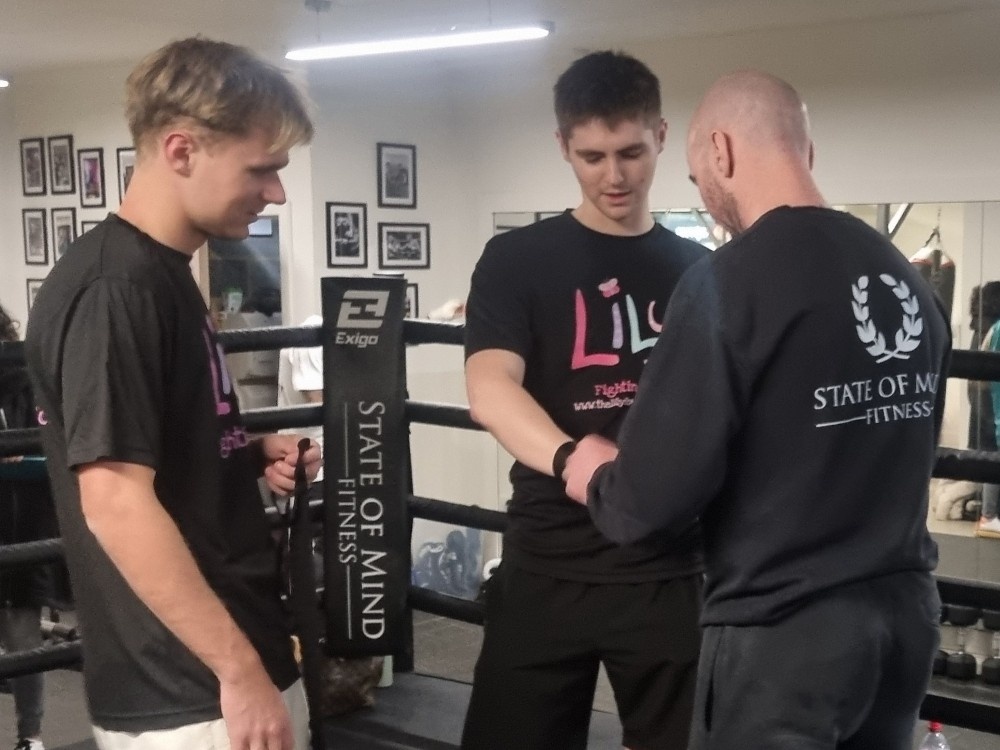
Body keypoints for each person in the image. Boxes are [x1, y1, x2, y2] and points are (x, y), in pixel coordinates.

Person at [563, 70, 951, 750]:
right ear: (808, 152)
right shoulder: (903, 277)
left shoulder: (726, 282)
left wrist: (593, 472)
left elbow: (647, 503)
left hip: (786, 634)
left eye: (695, 179)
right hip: (903, 622)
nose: (708, 201)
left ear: (721, 151)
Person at [24, 38, 321, 750]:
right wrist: (239, 670)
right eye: (263, 169)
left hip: (220, 668)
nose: (276, 192)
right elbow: (116, 502)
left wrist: (246, 452)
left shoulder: (161, 274)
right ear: (182, 150)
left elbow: (149, 446)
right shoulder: (114, 288)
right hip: (192, 692)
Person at [461, 50, 707, 750]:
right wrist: (577, 459)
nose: (615, 175)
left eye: (631, 152)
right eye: (592, 155)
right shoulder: (517, 260)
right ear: (562, 145)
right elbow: (489, 387)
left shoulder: (699, 273)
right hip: (547, 561)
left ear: (660, 136)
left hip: (667, 565)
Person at [0, 303, 57, 750]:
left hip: (21, 524)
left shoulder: (26, 381)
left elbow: (50, 446)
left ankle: (30, 737)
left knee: (23, 634)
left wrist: (22, 450)